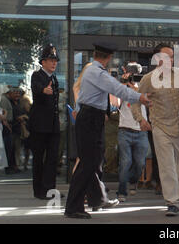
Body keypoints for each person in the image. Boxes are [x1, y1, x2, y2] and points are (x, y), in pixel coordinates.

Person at [64, 42, 151, 219]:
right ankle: (73, 207)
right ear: (108, 57)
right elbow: (117, 89)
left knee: (95, 160)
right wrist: (140, 97)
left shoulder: (92, 71)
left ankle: (98, 198)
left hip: (91, 118)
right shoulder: (97, 72)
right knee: (88, 163)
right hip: (90, 119)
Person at [131, 43, 179, 217]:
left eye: (172, 56)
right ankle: (172, 201)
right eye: (166, 56)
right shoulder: (148, 79)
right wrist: (140, 119)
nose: (170, 60)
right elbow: (135, 99)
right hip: (160, 126)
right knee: (166, 165)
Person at [29, 44, 62, 200]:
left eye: (55, 60)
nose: (54, 63)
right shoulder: (37, 75)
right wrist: (43, 90)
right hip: (40, 125)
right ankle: (39, 191)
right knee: (39, 158)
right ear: (43, 62)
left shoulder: (54, 78)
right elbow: (36, 88)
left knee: (52, 158)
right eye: (50, 60)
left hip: (53, 125)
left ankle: (50, 189)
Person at [116, 68, 149, 202]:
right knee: (125, 162)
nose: (133, 81)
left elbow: (148, 101)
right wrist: (124, 85)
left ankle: (133, 180)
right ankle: (122, 191)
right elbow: (115, 103)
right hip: (125, 130)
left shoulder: (144, 89)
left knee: (140, 162)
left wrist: (136, 89)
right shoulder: (123, 90)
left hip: (141, 131)